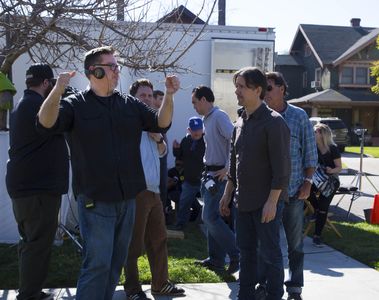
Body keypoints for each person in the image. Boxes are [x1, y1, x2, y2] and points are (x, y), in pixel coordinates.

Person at [37, 46, 180, 300]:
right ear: (95, 72)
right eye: (111, 66)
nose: (117, 71)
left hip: (128, 200)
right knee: (97, 264)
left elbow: (161, 122)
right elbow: (46, 122)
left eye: (117, 66)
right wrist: (57, 90)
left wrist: (169, 95)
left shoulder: (129, 104)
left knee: (115, 264)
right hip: (96, 201)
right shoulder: (75, 105)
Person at [220, 66, 291, 300]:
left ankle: (273, 295)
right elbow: (234, 162)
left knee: (270, 254)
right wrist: (227, 194)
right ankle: (246, 295)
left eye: (241, 87)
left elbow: (282, 169)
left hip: (266, 203)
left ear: (257, 89)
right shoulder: (240, 122)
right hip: (243, 202)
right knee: (247, 253)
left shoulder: (274, 123)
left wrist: (272, 202)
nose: (237, 91)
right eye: (236, 86)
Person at [6, 63, 69, 300]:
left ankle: (29, 290)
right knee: (38, 244)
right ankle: (29, 295)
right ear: (46, 83)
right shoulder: (41, 107)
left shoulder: (23, 105)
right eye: (51, 83)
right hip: (38, 189)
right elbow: (62, 122)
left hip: (23, 187)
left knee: (30, 241)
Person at [123, 79, 185, 300]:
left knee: (159, 239)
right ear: (133, 98)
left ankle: (160, 284)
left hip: (155, 192)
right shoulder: (128, 123)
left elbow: (161, 153)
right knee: (134, 245)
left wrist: (158, 138)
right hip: (136, 192)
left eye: (150, 95)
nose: (148, 99)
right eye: (143, 95)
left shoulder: (154, 123)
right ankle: (132, 289)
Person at [265, 71, 318, 300]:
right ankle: (268, 285)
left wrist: (307, 182)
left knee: (295, 245)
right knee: (266, 245)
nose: (264, 93)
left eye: (268, 88)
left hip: (294, 193)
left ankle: (294, 287)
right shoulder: (260, 115)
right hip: (266, 195)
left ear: (282, 89)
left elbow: (310, 154)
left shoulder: (299, 116)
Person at [191, 85, 240, 273]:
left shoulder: (219, 116)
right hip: (209, 175)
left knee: (209, 217)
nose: (194, 106)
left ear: (204, 99)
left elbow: (236, 140)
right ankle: (216, 259)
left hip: (220, 176)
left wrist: (228, 168)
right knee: (213, 217)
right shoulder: (207, 118)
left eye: (195, 102)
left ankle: (237, 254)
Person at [309, 123, 342, 247]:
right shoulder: (313, 147)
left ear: (322, 134)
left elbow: (339, 168)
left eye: (315, 132)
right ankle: (316, 209)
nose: (312, 134)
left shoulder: (332, 148)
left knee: (324, 208)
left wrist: (331, 170)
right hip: (317, 180)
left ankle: (317, 236)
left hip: (330, 182)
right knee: (303, 190)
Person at [173, 116, 205, 230]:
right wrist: (176, 150)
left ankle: (207, 227)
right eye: (194, 129)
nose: (197, 132)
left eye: (199, 129)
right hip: (189, 180)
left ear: (203, 129)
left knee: (210, 204)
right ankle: (181, 224)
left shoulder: (208, 141)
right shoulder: (185, 141)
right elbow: (180, 157)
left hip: (205, 180)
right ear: (189, 130)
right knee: (184, 202)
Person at [153, 89, 169, 216]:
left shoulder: (161, 115)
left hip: (163, 155)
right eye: (160, 99)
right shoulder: (150, 116)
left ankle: (162, 215)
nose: (163, 101)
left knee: (163, 186)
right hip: (154, 158)